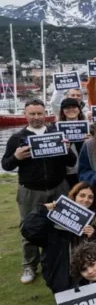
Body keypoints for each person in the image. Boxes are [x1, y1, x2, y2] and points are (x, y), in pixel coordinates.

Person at [2, 99, 77, 284]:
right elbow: (6, 165)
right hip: (30, 190)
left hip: (58, 187)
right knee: (29, 228)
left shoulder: (56, 134)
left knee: (63, 226)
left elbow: (71, 162)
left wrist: (67, 150)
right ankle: (29, 265)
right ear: (25, 114)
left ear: (45, 114)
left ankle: (65, 261)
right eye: (32, 114)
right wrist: (16, 157)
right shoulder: (17, 138)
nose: (36, 117)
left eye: (39, 113)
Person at [21, 182, 96, 292]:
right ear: (74, 196)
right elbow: (29, 231)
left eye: (90, 197)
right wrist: (42, 210)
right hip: (61, 273)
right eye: (82, 195)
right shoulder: (54, 218)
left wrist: (94, 235)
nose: (86, 200)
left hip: (91, 274)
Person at [58, 97, 92, 187]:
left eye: (74, 107)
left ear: (79, 110)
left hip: (86, 170)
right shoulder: (56, 129)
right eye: (67, 108)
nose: (71, 110)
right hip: (66, 172)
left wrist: (91, 141)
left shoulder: (89, 128)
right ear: (62, 111)